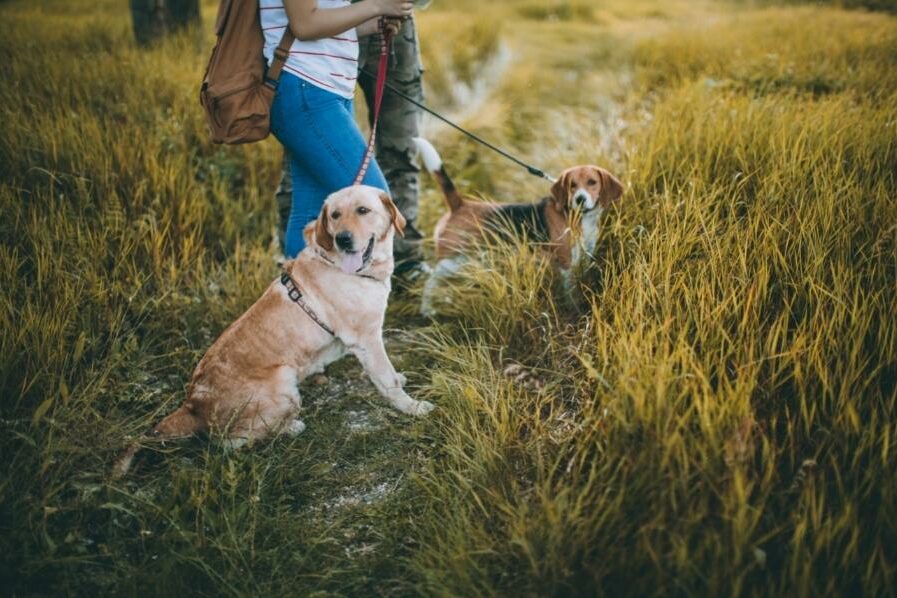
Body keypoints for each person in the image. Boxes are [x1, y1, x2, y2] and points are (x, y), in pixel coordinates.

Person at [274, 1, 430, 278]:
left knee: (310, 208)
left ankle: (305, 300)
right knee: (371, 197)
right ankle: (349, 295)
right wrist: (377, 6)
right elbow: (305, 24)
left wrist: (377, 18)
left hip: (329, 74)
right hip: (309, 80)